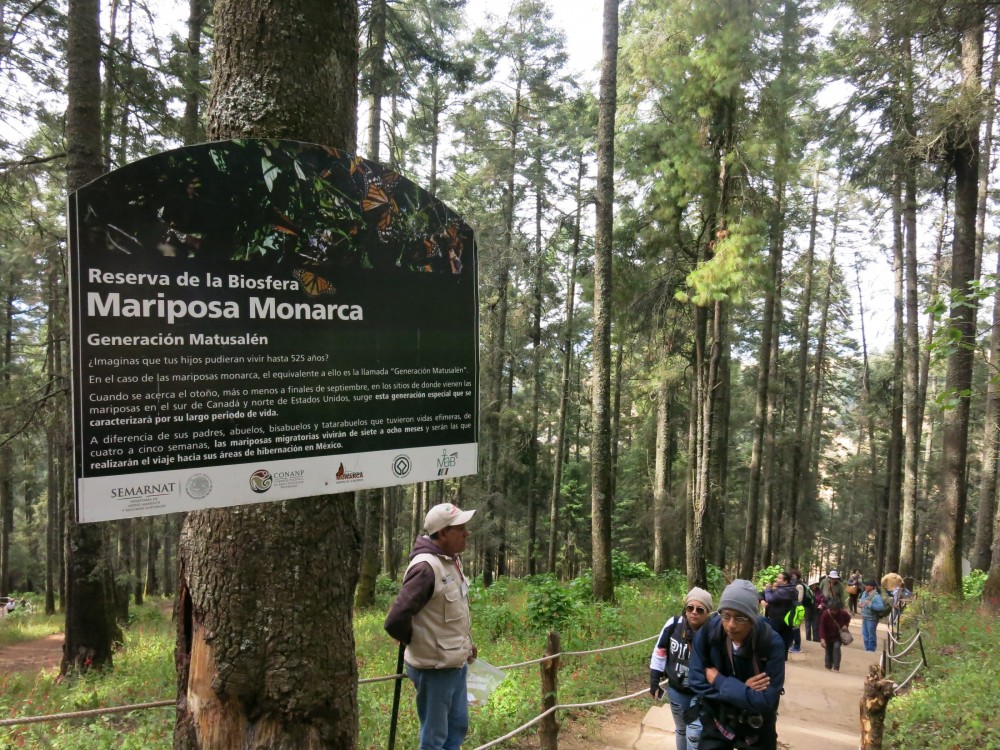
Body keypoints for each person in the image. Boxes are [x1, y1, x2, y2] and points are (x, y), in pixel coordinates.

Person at [384, 503, 477, 750]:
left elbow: (448, 615)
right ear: (443, 533)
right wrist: (420, 642)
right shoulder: (426, 567)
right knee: (435, 738)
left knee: (457, 727)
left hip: (454, 664)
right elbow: (395, 620)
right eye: (461, 528)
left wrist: (465, 644)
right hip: (434, 669)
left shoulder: (450, 562)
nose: (467, 533)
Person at [688, 580, 786, 750]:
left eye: (740, 617)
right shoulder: (708, 634)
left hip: (757, 729)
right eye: (726, 616)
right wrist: (744, 691)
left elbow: (767, 701)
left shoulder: (771, 643)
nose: (731, 625)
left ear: (753, 619)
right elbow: (696, 681)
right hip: (718, 722)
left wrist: (719, 682)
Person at [649, 587, 714, 750]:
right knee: (682, 730)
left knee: (695, 731)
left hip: (701, 692)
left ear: (707, 612)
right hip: (677, 689)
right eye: (690, 608)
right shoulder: (674, 624)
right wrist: (654, 681)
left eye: (700, 609)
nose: (694, 612)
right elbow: (660, 651)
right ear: (685, 609)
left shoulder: (713, 632)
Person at [762, 571, 797, 659]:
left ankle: (774, 657)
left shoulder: (782, 591)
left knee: (774, 638)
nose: (777, 580)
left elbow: (769, 599)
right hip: (788, 619)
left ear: (785, 581)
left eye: (779, 578)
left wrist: (768, 589)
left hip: (777, 619)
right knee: (785, 639)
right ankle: (783, 658)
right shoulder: (793, 589)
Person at [819, 597, 851, 671]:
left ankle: (836, 667)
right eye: (831, 610)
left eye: (835, 610)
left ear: (838, 609)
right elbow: (821, 627)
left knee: (836, 647)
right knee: (828, 650)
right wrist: (822, 638)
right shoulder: (825, 614)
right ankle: (828, 666)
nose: (833, 612)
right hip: (827, 636)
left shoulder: (843, 613)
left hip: (838, 636)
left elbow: (848, 618)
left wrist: (845, 625)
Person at [858, 579, 884, 653]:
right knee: (865, 634)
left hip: (872, 619)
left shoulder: (876, 596)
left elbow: (880, 607)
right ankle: (867, 648)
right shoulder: (864, 593)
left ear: (872, 587)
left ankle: (871, 650)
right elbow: (862, 602)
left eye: (867, 585)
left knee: (871, 635)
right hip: (865, 617)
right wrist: (860, 605)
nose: (865, 586)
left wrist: (870, 605)